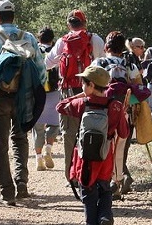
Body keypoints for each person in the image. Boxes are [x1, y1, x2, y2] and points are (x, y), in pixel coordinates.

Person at [0, 0, 47, 205]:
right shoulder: (29, 38)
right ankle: (22, 183)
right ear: (13, 17)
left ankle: (7, 192)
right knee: (20, 139)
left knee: (0, 145)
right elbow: (41, 71)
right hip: (23, 96)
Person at [57, 65, 129, 225]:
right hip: (105, 158)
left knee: (88, 199)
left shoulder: (82, 104)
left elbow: (60, 107)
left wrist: (81, 97)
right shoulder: (115, 105)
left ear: (90, 85)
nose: (81, 86)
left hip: (85, 160)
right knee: (105, 191)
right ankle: (105, 217)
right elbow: (124, 132)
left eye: (83, 83)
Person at [45, 9, 106, 180]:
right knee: (92, 131)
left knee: (69, 134)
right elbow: (103, 65)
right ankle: (91, 174)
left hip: (68, 93)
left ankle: (70, 175)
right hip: (92, 91)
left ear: (68, 25)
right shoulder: (96, 40)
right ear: (85, 23)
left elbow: (47, 64)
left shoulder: (62, 42)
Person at [92, 31, 148, 200]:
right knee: (120, 148)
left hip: (101, 112)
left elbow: (89, 86)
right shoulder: (128, 63)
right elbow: (139, 86)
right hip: (124, 112)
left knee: (101, 145)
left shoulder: (98, 62)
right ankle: (116, 183)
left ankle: (100, 180)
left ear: (106, 46)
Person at [34, 26, 61, 171]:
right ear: (52, 39)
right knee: (53, 124)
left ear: (39, 38)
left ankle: (38, 159)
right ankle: (48, 149)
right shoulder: (54, 51)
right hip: (52, 91)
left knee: (38, 128)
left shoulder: (34, 50)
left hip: (36, 92)